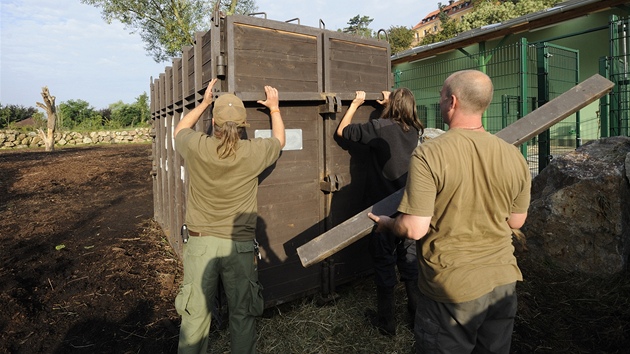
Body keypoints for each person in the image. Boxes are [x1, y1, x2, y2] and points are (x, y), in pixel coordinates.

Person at [368, 70, 531, 353]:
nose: (441, 103)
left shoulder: (430, 154)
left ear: (452, 101)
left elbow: (415, 228)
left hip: (452, 290)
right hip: (503, 283)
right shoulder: (514, 156)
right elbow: (516, 220)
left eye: (442, 97)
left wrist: (387, 224)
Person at [173, 78, 285, 354]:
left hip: (200, 246)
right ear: (244, 125)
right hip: (240, 247)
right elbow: (279, 140)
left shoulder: (197, 147)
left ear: (214, 123)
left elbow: (180, 129)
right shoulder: (252, 152)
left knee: (195, 317)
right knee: (242, 316)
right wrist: (274, 108)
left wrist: (204, 104)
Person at [336, 88, 424, 336]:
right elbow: (399, 126)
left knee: (385, 264)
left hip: (382, 211)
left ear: (392, 105)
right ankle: (415, 317)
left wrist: (355, 103)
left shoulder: (379, 127)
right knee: (410, 264)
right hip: (408, 207)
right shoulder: (416, 131)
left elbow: (342, 131)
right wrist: (391, 103)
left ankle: (386, 324)